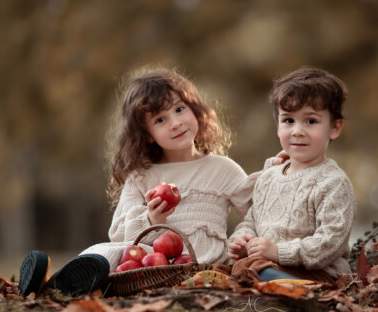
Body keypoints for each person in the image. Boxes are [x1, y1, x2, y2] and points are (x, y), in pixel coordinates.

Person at [19, 67, 262, 297]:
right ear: (147, 135)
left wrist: (242, 237)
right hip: (152, 265)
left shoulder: (223, 169)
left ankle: (56, 287)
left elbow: (257, 214)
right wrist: (150, 219)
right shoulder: (141, 176)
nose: (175, 123)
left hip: (202, 263)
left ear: (194, 109)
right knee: (105, 251)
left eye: (179, 109)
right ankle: (58, 282)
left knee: (113, 259)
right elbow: (118, 233)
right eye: (160, 120)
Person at [227, 67, 356, 285]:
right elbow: (252, 220)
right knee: (236, 266)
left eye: (311, 121)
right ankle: (272, 280)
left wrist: (279, 252)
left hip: (318, 272)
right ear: (278, 126)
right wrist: (242, 240)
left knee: (255, 269)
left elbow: (330, 242)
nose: (297, 131)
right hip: (270, 264)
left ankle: (298, 287)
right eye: (288, 121)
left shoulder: (333, 183)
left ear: (334, 128)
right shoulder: (269, 177)